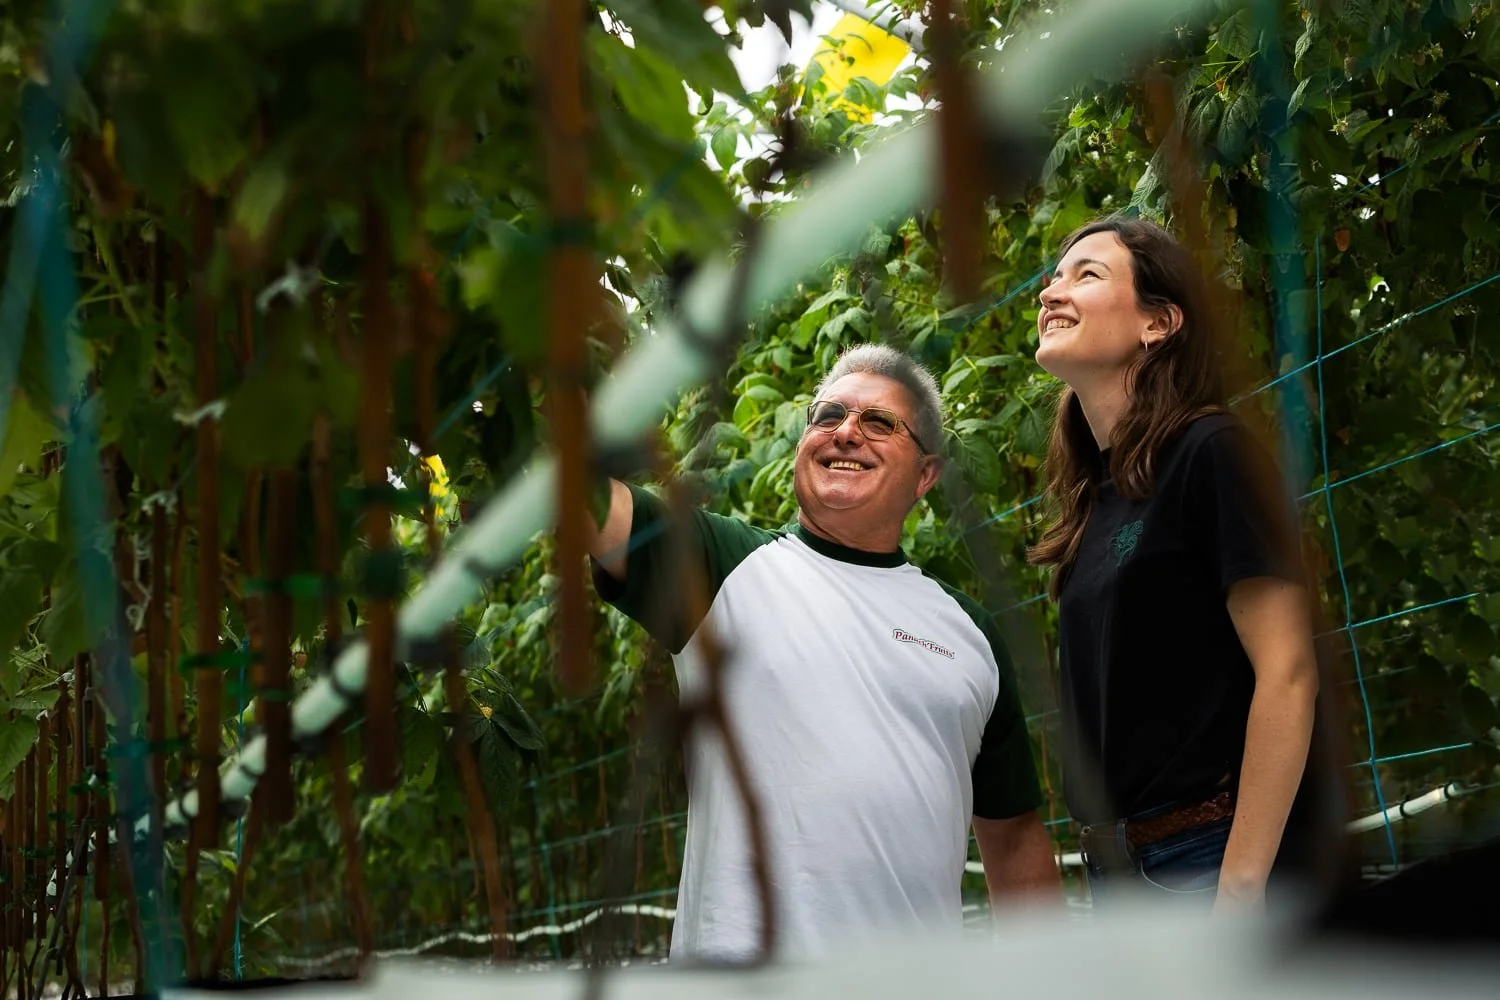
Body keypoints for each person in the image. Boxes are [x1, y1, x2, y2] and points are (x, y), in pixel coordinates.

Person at [588, 344, 1060, 961]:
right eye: (828, 415)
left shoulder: (969, 632)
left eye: (879, 422)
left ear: (926, 474)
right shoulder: (719, 565)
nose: (845, 433)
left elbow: (1016, 835)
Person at [1029, 216, 1322, 913]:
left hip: (1204, 861)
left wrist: (1239, 888)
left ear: (1158, 323)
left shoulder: (1211, 451)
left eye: (1086, 274)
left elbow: (1289, 671)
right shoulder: (1094, 499)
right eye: (1053, 277)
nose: (1051, 292)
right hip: (1117, 873)